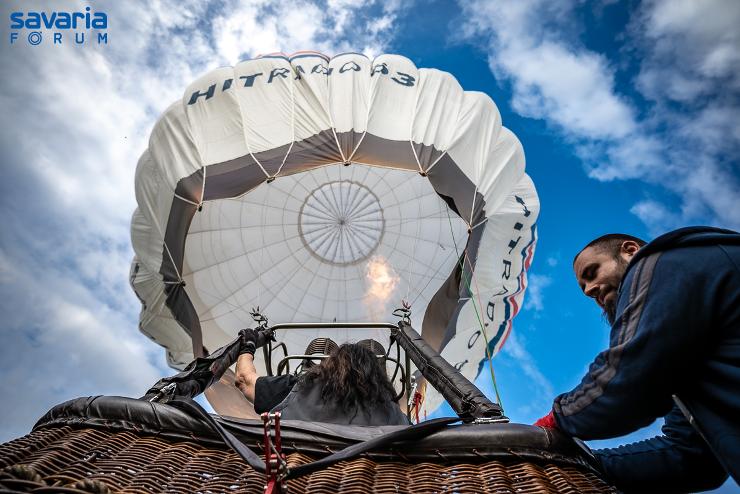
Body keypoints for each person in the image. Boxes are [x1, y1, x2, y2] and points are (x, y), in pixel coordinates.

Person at [534, 226, 739, 492]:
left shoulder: (665, 262)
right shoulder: (686, 354)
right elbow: (692, 457)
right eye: (584, 286)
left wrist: (553, 422)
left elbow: (627, 380)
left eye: (591, 273)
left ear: (631, 251)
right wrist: (579, 463)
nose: (588, 290)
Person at [234, 333, 409, 426]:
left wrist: (247, 347)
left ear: (329, 366)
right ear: (378, 374)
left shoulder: (297, 388)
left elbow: (244, 379)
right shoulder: (394, 413)